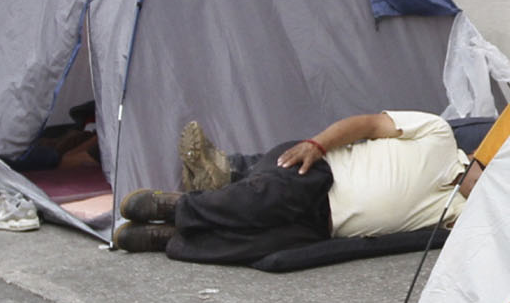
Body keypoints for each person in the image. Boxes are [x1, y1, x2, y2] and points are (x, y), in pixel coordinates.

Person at [112, 113, 482, 263]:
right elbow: (368, 124)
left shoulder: (464, 216)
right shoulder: (438, 135)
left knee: (265, 250)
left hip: (326, 227)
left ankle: (172, 238)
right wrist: (317, 144)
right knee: (264, 201)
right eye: (490, 168)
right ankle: (178, 208)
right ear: (484, 153)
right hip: (320, 171)